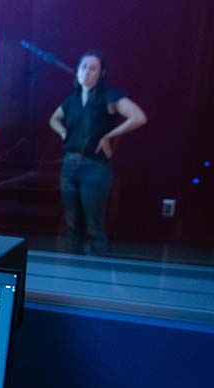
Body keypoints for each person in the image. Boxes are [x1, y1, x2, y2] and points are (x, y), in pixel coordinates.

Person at [48, 50, 147, 255]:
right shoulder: (72, 99)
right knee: (72, 222)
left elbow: (138, 117)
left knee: (94, 224)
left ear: (101, 73)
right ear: (77, 71)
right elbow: (53, 119)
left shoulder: (109, 96)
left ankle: (97, 273)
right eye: (84, 67)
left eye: (93, 68)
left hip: (95, 167)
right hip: (70, 165)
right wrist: (64, 133)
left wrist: (108, 136)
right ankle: (73, 273)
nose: (87, 72)